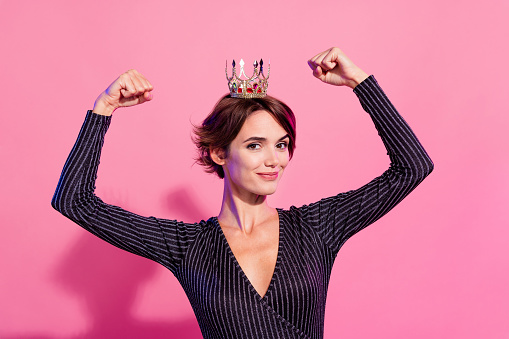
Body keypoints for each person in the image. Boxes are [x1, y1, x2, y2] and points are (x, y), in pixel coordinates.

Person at [52, 47, 433, 339]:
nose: (274, 160)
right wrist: (104, 108)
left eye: (282, 144)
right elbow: (74, 200)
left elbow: (412, 167)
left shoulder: (317, 227)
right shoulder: (187, 246)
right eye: (255, 145)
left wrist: (360, 82)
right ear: (220, 152)